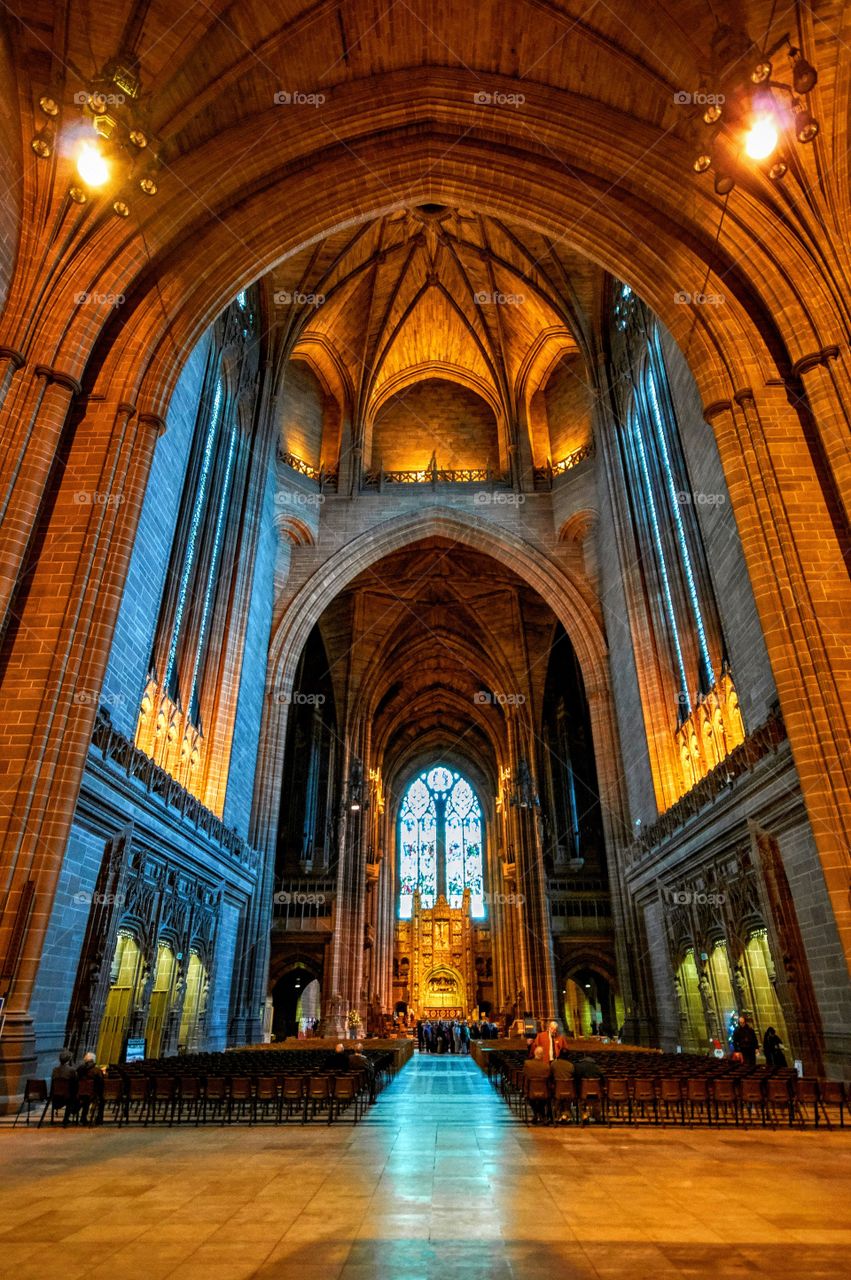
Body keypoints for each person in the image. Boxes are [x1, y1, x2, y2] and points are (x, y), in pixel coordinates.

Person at [523, 1045, 551, 1124]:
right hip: (544, 1093)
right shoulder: (546, 1066)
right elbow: (548, 1079)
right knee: (544, 1099)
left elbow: (525, 1077)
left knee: (531, 1098)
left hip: (530, 1093)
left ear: (534, 1053)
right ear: (542, 1055)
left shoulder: (527, 1064)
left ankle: (536, 1113)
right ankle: (542, 1115)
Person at [573, 1054, 604, 1124]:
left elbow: (576, 1079)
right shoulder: (597, 1067)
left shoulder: (579, 1067)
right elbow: (602, 1080)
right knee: (597, 1102)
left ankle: (584, 1116)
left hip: (583, 1093)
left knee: (581, 1099)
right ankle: (598, 1118)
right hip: (596, 1093)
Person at [76, 1051, 104, 1125]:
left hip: (80, 1093)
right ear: (93, 1060)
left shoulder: (79, 1070)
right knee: (101, 1099)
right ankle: (99, 1119)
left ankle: (82, 1116)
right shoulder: (97, 1071)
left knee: (85, 1098)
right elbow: (101, 1083)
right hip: (91, 1094)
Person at [51, 1049, 78, 1125]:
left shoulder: (55, 1070)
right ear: (69, 1060)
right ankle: (67, 1117)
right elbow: (75, 1082)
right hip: (67, 1097)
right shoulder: (72, 1070)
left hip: (56, 1096)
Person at [550, 1048, 575, 1124]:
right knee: (567, 1098)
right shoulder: (571, 1066)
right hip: (569, 1091)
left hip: (556, 1090)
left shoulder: (553, 1064)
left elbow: (550, 1076)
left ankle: (557, 1114)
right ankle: (565, 1114)